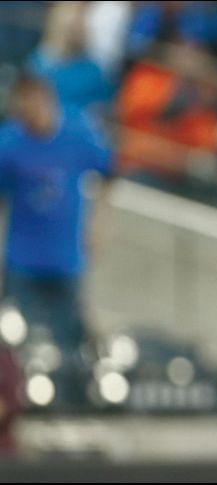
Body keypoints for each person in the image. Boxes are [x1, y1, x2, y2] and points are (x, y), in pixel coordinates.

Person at [0, 74, 113, 355]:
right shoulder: (10, 142)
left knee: (67, 344)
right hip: (22, 260)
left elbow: (109, 172)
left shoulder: (78, 131)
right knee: (15, 343)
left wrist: (99, 224)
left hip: (66, 259)